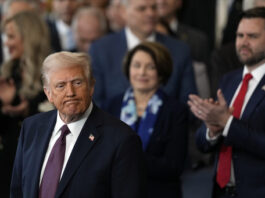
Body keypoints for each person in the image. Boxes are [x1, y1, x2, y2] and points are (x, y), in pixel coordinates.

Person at [10, 51, 146, 198]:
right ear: (48, 94)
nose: (70, 92)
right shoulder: (31, 127)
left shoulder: (121, 140)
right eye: (61, 86)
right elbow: (17, 191)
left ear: (91, 86)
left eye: (77, 83)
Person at [188, 7, 265, 198]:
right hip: (221, 191)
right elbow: (202, 144)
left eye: (252, 36)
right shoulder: (229, 80)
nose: (243, 42)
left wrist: (227, 123)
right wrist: (211, 129)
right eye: (240, 35)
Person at [105, 41, 188, 198]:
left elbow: (174, 166)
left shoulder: (176, 111)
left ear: (161, 71)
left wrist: (128, 156)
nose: (142, 72)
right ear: (128, 69)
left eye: (150, 67)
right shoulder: (111, 106)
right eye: (136, 65)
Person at [89, 0, 197, 107]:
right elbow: (95, 103)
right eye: (142, 9)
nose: (150, 14)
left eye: (154, 8)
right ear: (123, 11)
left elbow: (189, 105)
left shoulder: (180, 50)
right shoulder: (101, 50)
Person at [0, 11, 51, 197]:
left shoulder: (52, 73)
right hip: (9, 164)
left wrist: (27, 110)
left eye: (11, 37)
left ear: (29, 37)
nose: (6, 43)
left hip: (41, 165)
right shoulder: (7, 73)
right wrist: (4, 105)